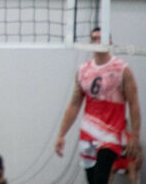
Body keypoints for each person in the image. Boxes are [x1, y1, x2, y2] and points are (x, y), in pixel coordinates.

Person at [55, 28, 142, 184]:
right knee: (93, 179)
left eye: (101, 38)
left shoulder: (122, 69)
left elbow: (134, 103)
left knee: (101, 178)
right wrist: (61, 134)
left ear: (109, 43)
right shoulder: (83, 70)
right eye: (94, 38)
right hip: (88, 132)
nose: (97, 41)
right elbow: (74, 104)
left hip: (111, 134)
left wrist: (134, 135)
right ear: (90, 43)